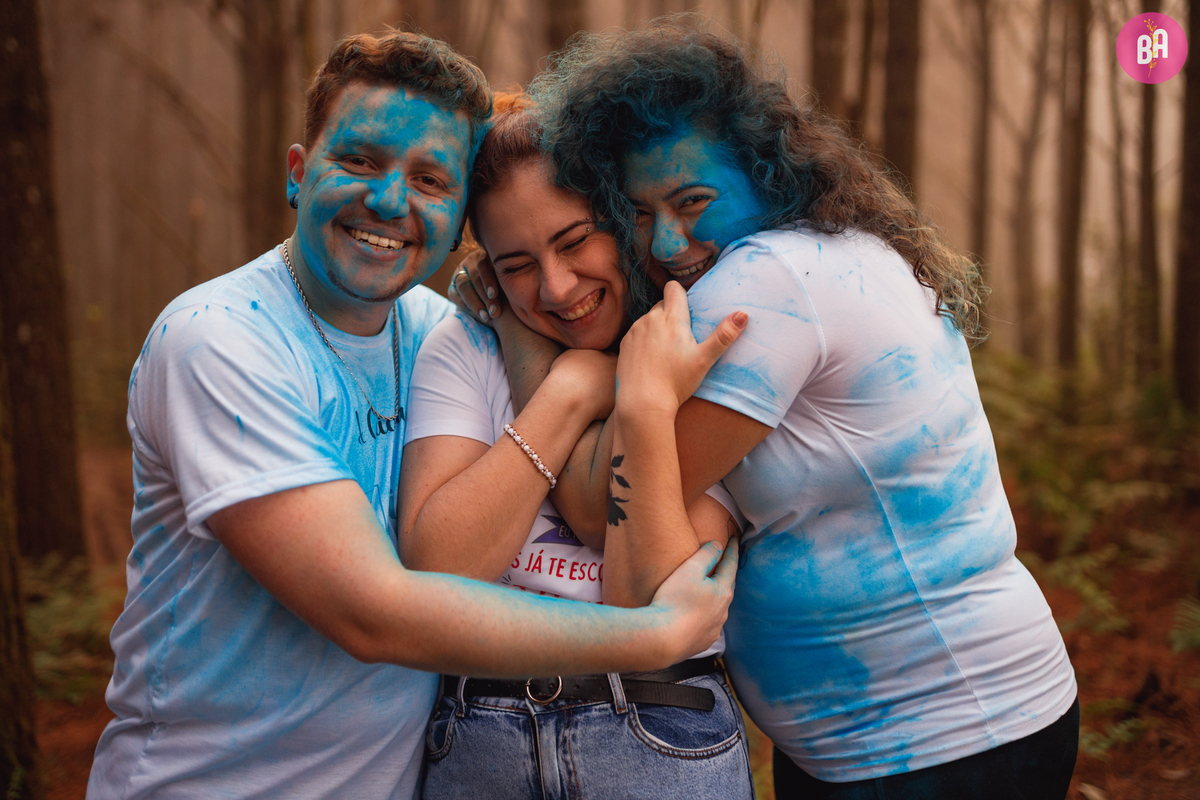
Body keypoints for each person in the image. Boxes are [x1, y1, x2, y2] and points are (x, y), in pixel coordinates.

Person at [86, 31, 737, 800]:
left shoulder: (442, 331)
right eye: (359, 161)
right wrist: (656, 633)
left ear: (459, 218)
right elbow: (372, 613)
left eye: (429, 180)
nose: (391, 201)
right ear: (298, 172)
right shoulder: (218, 341)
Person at [466, 19, 1078, 800]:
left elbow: (595, 506)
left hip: (946, 738)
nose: (667, 243)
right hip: (893, 743)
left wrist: (521, 336)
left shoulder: (764, 283)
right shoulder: (832, 249)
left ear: (766, 171)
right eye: (641, 214)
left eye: (693, 201)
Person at [397, 94, 754, 799]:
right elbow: (437, 571)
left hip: (661, 724)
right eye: (517, 265)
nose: (556, 288)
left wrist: (640, 401)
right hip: (480, 733)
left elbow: (646, 597)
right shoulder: (465, 346)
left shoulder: (696, 336)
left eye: (574, 241)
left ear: (622, 217)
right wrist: (570, 389)